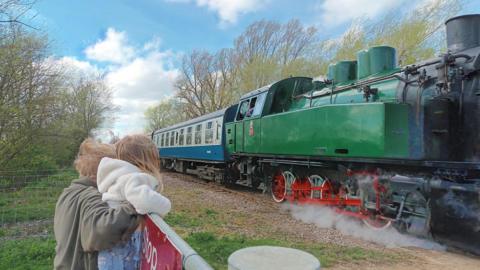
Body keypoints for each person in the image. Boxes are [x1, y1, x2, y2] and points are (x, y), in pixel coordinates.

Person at [54, 139, 140, 270]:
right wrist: (136, 205)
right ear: (103, 171)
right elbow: (103, 229)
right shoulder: (90, 195)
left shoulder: (68, 193)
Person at [96, 134, 171, 270]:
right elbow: (144, 201)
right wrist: (166, 205)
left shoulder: (118, 177)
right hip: (126, 246)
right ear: (147, 160)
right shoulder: (134, 177)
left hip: (113, 245)